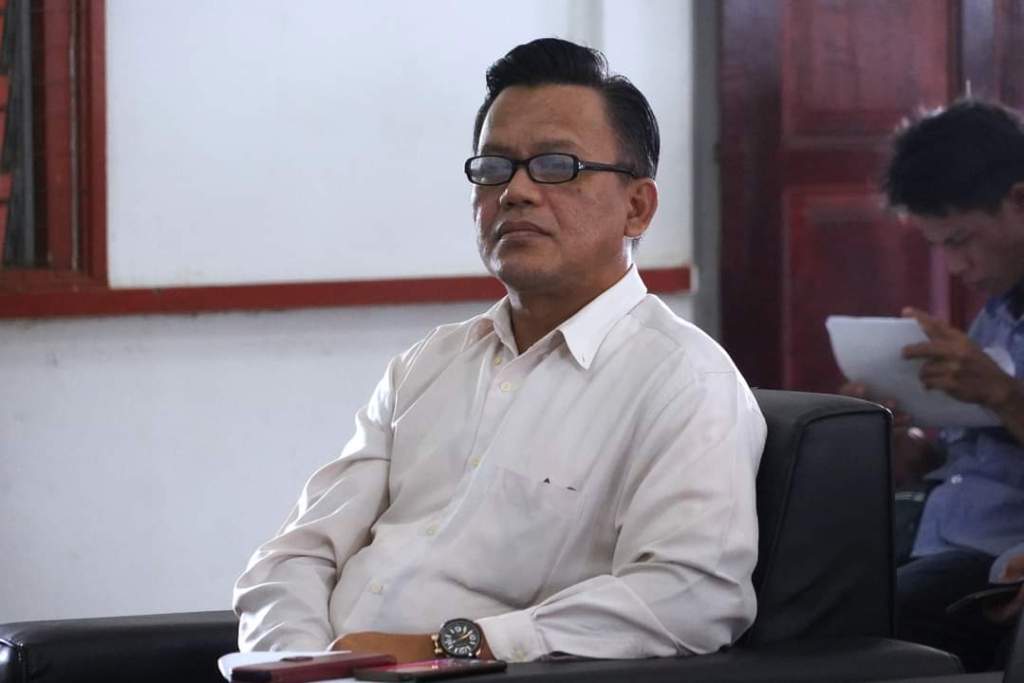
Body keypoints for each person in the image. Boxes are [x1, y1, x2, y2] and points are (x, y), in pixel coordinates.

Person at [232, 38, 766, 664]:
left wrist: (449, 650)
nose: (515, 191)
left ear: (637, 207)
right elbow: (296, 555)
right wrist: (299, 663)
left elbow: (692, 597)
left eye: (556, 165)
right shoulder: (429, 364)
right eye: (494, 167)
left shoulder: (685, 381)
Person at [855, 99, 1024, 671]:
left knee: (859, 624)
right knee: (776, 588)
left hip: (995, 559)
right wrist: (898, 443)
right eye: (939, 246)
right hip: (936, 536)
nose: (955, 267)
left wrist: (1003, 393)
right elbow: (969, 459)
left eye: (961, 240)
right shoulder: (997, 315)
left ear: (1020, 200)